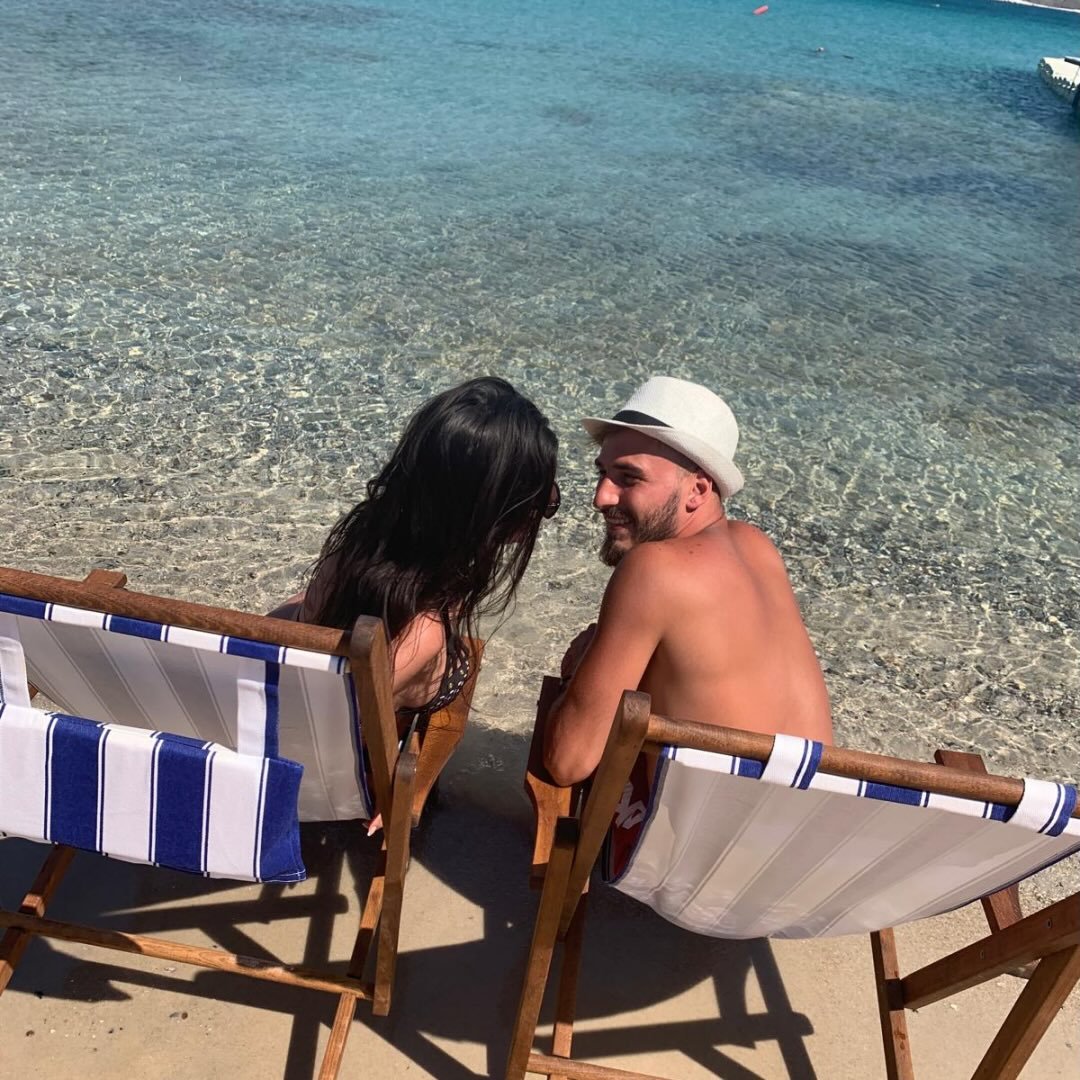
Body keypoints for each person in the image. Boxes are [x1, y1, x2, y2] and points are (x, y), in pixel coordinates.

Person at [543, 375, 832, 786]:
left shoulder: (653, 570)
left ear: (697, 489)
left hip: (698, 825)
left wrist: (580, 671)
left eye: (629, 477)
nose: (600, 497)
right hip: (803, 818)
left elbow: (567, 762)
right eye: (602, 473)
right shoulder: (759, 547)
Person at [272, 376, 559, 723]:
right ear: (490, 512)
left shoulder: (357, 546)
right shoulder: (424, 631)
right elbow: (326, 723)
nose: (543, 508)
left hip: (304, 667)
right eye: (539, 498)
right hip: (354, 723)